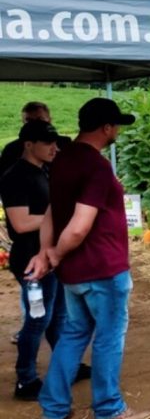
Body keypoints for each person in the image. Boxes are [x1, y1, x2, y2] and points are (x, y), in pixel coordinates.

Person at [27, 98, 150, 419]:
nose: (117, 131)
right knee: (109, 337)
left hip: (75, 273)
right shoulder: (96, 167)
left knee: (73, 334)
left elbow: (53, 212)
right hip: (103, 268)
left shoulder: (64, 160)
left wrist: (47, 252)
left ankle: (54, 413)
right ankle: (109, 410)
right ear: (107, 128)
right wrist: (54, 253)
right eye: (116, 126)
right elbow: (80, 226)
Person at [1, 121, 90, 400]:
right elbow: (21, 222)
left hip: (52, 255)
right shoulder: (16, 177)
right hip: (30, 259)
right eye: (47, 143)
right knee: (39, 319)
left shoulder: (47, 170)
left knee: (59, 317)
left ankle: (69, 365)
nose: (54, 148)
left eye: (55, 142)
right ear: (29, 145)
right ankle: (25, 379)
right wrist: (64, 216)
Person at [0, 101, 51, 177]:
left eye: (39, 119)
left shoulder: (63, 144)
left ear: (49, 120)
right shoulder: (11, 149)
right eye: (29, 120)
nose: (34, 124)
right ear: (23, 122)